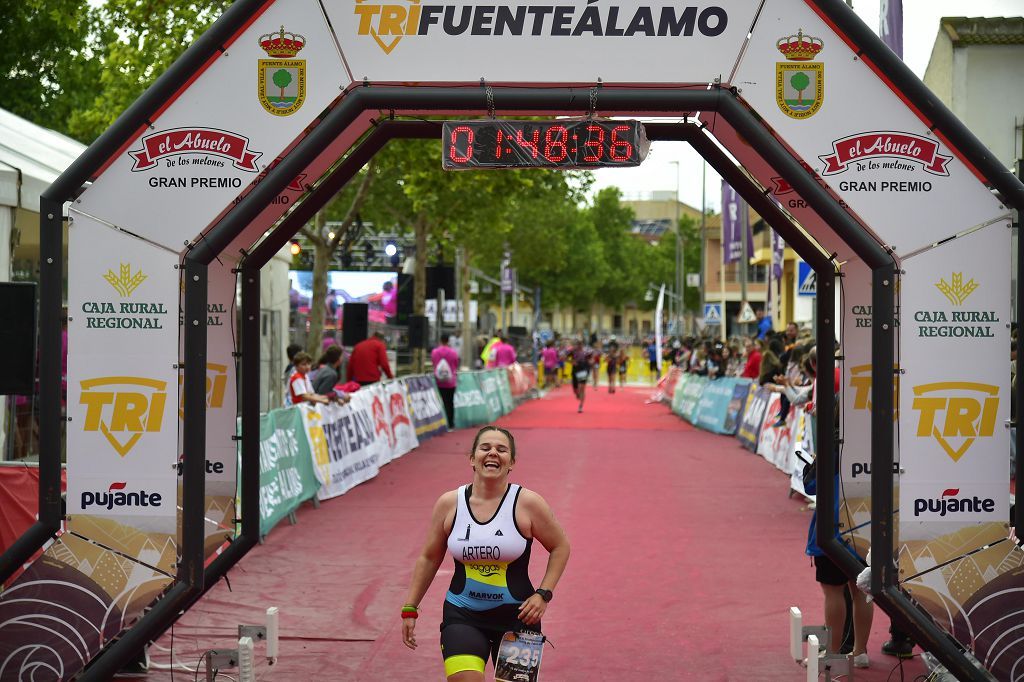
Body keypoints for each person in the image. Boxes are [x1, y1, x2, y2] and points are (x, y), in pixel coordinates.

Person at [400, 426, 571, 681]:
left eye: (502, 449)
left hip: (519, 618)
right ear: (472, 458)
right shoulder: (449, 503)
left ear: (511, 462)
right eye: (485, 448)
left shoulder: (528, 503)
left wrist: (543, 594)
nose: (493, 453)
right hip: (463, 614)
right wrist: (410, 608)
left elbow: (560, 547)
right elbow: (429, 557)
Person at [432, 333, 460, 427]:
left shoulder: (435, 352)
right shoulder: (453, 352)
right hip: (451, 382)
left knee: (442, 401)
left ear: (440, 340)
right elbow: (456, 365)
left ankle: (442, 423)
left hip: (439, 381)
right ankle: (451, 423)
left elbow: (434, 364)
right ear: (448, 341)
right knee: (450, 402)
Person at [571, 340, 591, 413]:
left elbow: (591, 359)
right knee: (576, 390)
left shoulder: (587, 352)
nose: (579, 346)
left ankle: (581, 406)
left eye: (581, 344)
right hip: (575, 371)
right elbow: (564, 357)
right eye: (578, 344)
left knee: (582, 389)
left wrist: (590, 362)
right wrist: (572, 362)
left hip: (583, 370)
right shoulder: (573, 351)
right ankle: (577, 394)